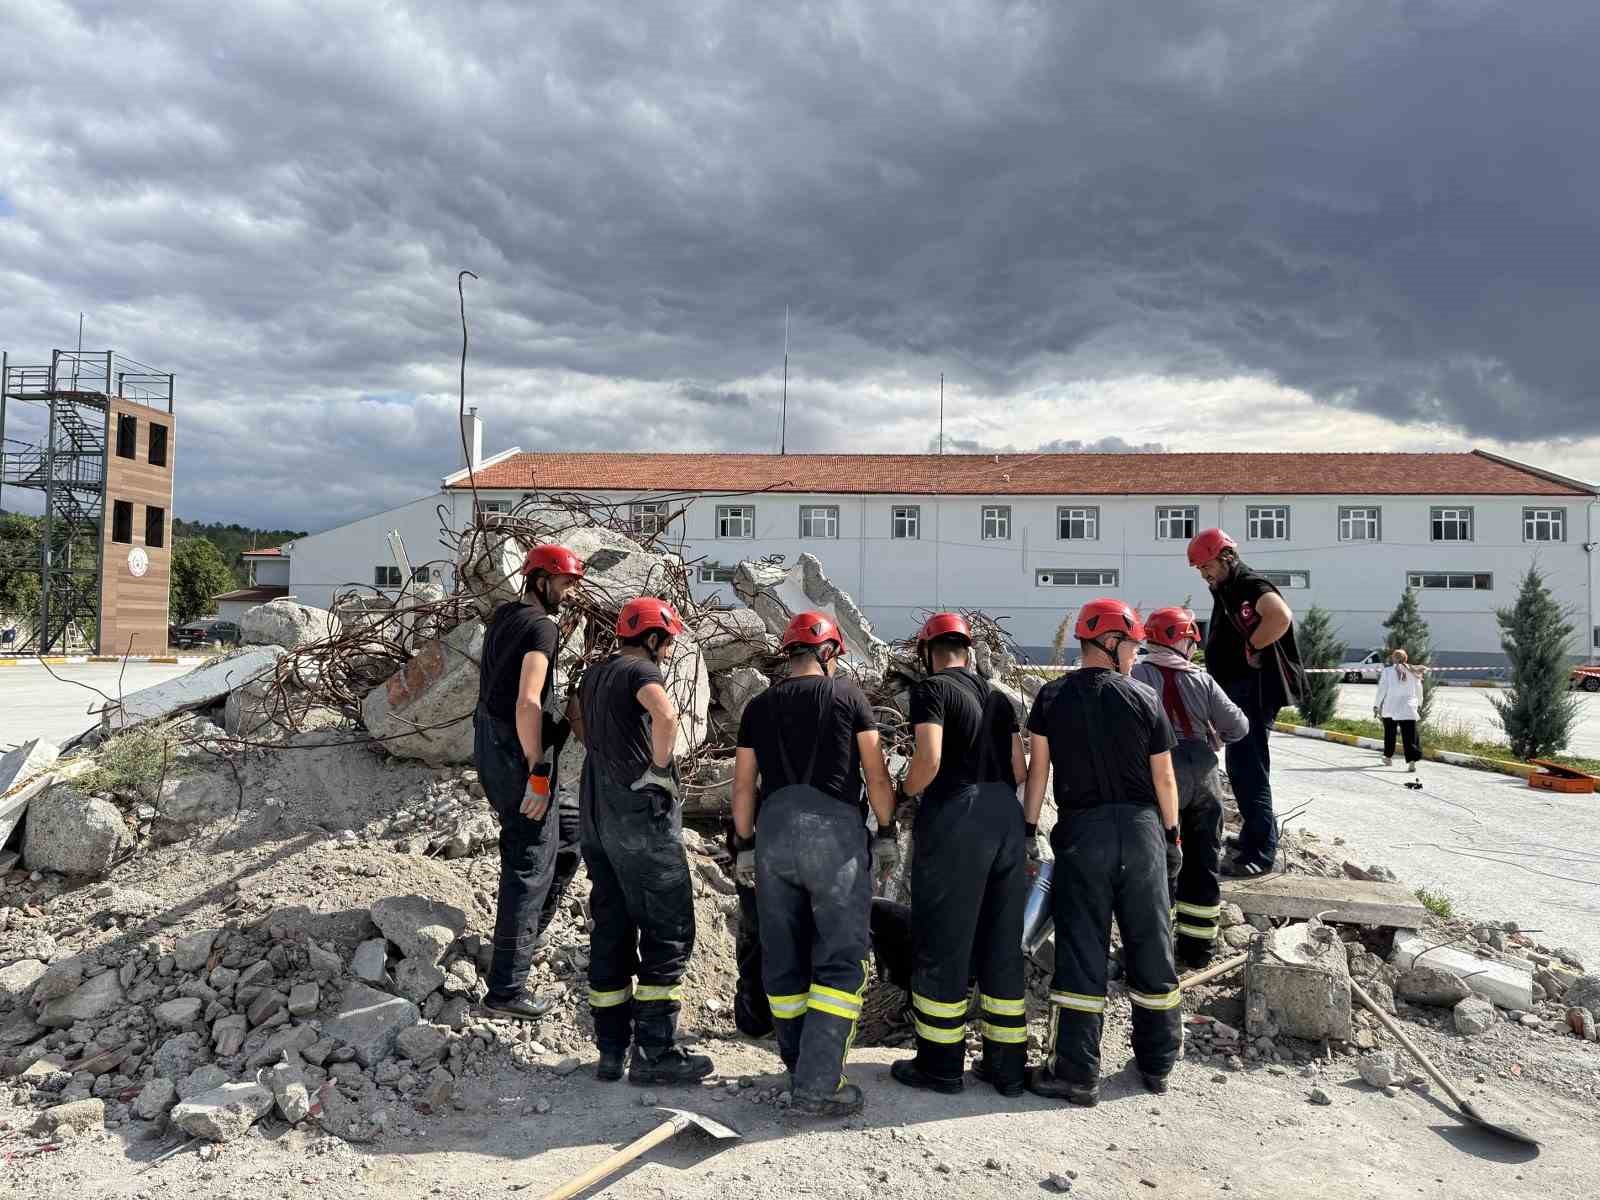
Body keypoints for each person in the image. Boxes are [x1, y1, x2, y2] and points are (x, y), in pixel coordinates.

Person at [731, 611, 896, 1117]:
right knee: (841, 958)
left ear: (789, 654)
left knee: (783, 956)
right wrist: (887, 831)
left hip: (774, 838)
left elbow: (743, 787)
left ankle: (798, 1062)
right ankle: (820, 1084)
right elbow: (875, 773)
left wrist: (743, 845)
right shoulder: (848, 697)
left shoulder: (758, 707)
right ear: (829, 654)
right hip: (834, 839)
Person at [1022, 598, 1182, 1105]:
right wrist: (1172, 837)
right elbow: (1165, 778)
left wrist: (1029, 827)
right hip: (1141, 833)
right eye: (1133, 645)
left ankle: (1076, 1072)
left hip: (1083, 835)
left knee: (1081, 950)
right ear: (1110, 644)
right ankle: (1157, 1063)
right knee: (1151, 945)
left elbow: (1038, 773)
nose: (1135, 655)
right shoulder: (1144, 698)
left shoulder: (1050, 697)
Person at [890, 612, 1030, 1098]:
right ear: (969, 650)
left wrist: (903, 792)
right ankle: (1007, 1066)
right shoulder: (996, 696)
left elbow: (928, 759)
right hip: (1006, 817)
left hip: (958, 815)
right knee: (1001, 942)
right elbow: (1019, 765)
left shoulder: (931, 690)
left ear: (928, 652)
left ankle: (940, 1064)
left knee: (944, 939)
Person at [574, 596, 712, 1086]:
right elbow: (666, 716)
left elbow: (577, 720)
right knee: (668, 929)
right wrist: (656, 770)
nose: (669, 651)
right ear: (652, 639)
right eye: (668, 642)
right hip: (641, 825)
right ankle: (656, 1054)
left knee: (611, 927)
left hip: (597, 817)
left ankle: (611, 1052)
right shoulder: (640, 674)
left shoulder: (594, 675)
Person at [473, 543, 585, 1021]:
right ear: (540, 579)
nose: (569, 591)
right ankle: (505, 990)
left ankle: (515, 945)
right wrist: (538, 769)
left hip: (492, 746)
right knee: (529, 863)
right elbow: (527, 702)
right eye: (564, 582)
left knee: (568, 841)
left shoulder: (505, 616)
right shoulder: (542, 626)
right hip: (519, 756)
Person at [1132, 606, 1249, 968]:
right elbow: (1239, 726)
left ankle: (1158, 952)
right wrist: (1213, 733)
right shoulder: (1202, 679)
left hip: (1159, 775)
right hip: (1204, 777)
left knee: (1162, 862)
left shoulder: (1136, 674)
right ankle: (1199, 951)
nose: (1192, 648)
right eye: (1189, 640)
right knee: (1203, 862)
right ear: (1179, 639)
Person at [1187, 528, 1305, 878]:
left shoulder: (1249, 584)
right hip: (1241, 692)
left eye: (1206, 565)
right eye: (1199, 569)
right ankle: (1255, 836)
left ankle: (1260, 855)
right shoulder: (1227, 587)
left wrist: (1253, 646)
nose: (1203, 573)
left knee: (1249, 771)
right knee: (1243, 770)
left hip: (1253, 694)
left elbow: (1280, 616)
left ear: (1225, 557)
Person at [1375, 649, 1424, 772]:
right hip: (1408, 707)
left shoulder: (1387, 671)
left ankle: (1387, 757)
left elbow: (1382, 689)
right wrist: (1419, 703)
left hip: (1391, 706)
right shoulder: (1414, 671)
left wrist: (1376, 705)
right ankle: (1412, 761)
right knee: (1410, 735)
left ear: (1393, 658)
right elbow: (1419, 689)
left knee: (1390, 733)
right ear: (1406, 658)